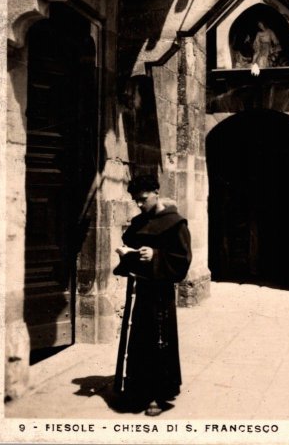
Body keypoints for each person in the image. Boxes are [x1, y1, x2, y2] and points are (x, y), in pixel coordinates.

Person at [113, 175, 192, 416]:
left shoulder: (175, 223)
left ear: (156, 193)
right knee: (139, 340)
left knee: (159, 342)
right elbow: (131, 242)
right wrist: (127, 252)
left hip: (161, 294)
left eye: (143, 199)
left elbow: (182, 260)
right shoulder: (140, 221)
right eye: (135, 200)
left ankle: (158, 395)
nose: (139, 204)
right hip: (142, 290)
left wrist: (156, 255)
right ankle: (138, 390)